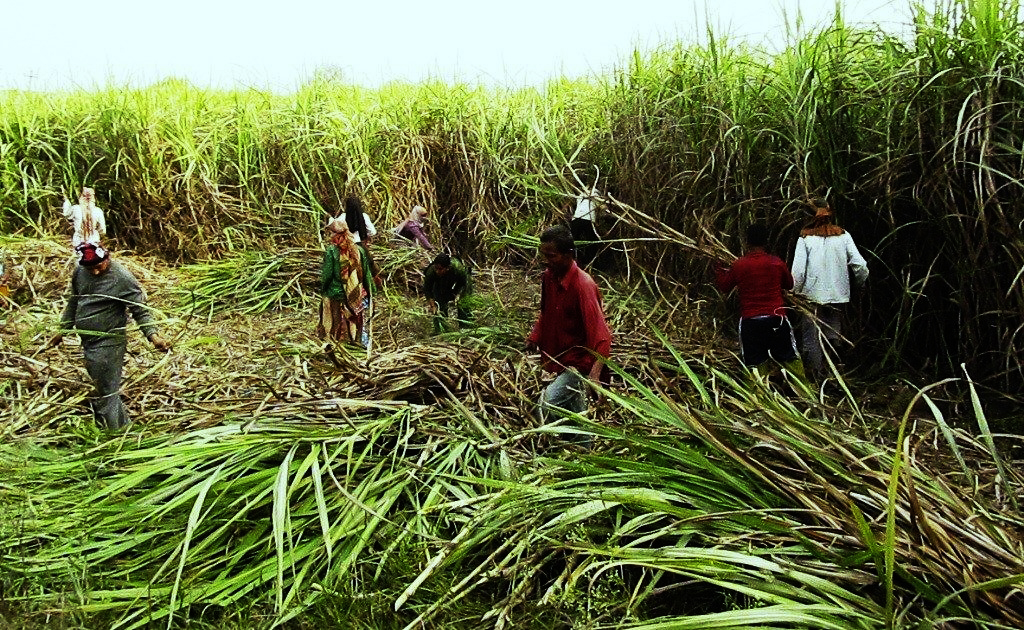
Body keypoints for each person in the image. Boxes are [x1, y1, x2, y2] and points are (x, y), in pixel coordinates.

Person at [49, 244, 171, 430]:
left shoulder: (122, 278)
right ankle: (121, 428)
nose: (95, 272)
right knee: (103, 388)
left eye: (99, 266)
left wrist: (154, 337)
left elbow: (140, 311)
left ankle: (114, 433)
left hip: (109, 342)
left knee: (106, 391)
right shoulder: (80, 272)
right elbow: (74, 300)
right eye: (90, 268)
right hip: (88, 341)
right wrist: (63, 330)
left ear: (107, 258)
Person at [526, 225, 612, 422]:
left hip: (578, 364)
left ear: (569, 254)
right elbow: (547, 311)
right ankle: (581, 441)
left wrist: (594, 376)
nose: (546, 261)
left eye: (551, 256)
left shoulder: (583, 285)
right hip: (560, 359)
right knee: (575, 414)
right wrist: (535, 336)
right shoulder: (549, 277)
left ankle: (547, 438)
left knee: (546, 405)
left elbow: (603, 337)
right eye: (544, 255)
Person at [714, 222, 807, 385]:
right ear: (766, 241)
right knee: (790, 358)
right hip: (777, 319)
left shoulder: (739, 265)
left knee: (754, 364)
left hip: (751, 322)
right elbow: (790, 284)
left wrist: (718, 268)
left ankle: (757, 396)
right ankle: (804, 393)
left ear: (747, 242)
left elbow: (724, 286)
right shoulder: (776, 263)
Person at [791, 198, 870, 380]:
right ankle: (835, 375)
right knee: (833, 333)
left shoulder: (805, 239)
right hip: (837, 296)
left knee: (812, 340)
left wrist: (794, 293)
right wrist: (860, 284)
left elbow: (798, 273)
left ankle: (816, 378)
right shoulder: (843, 236)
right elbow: (860, 265)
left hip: (811, 297)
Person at [317, 217, 364, 344]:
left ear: (336, 234)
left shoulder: (331, 250)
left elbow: (328, 274)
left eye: (331, 233)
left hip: (335, 291)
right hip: (352, 292)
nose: (330, 236)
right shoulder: (356, 249)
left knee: (334, 319)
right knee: (351, 317)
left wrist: (323, 289)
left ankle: (334, 341)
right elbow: (360, 272)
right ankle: (353, 340)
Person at [423, 253, 472, 334]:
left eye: (440, 269)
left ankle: (465, 327)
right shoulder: (431, 271)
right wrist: (432, 304)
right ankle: (441, 329)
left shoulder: (458, 268)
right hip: (440, 283)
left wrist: (458, 295)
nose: (437, 271)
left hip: (460, 282)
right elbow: (427, 289)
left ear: (447, 268)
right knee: (439, 304)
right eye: (436, 268)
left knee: (463, 302)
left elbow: (464, 284)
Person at [569, 187, 602, 270]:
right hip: (588, 219)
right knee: (591, 242)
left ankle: (572, 261)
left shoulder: (580, 195)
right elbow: (602, 207)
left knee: (573, 241)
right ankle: (591, 263)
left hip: (576, 219)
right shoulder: (596, 195)